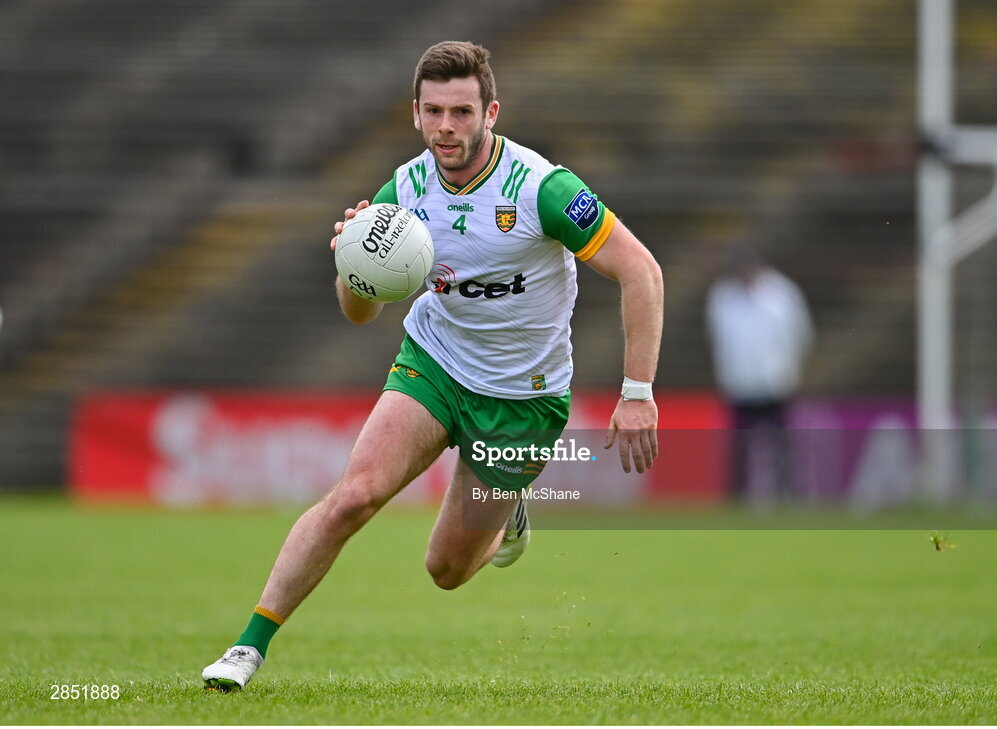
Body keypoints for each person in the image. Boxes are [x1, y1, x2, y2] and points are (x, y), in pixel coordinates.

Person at [201, 41, 664, 692]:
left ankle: (510, 512)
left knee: (445, 569)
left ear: (490, 112)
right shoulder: (404, 191)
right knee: (354, 496)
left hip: (522, 399)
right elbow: (358, 314)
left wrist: (637, 390)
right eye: (434, 112)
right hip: (436, 361)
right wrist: (354, 265)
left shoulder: (542, 188)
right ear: (415, 114)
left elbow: (641, 270)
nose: (447, 127)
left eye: (462, 111)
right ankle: (247, 647)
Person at [705, 244, 813, 500]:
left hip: (775, 384)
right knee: (740, 448)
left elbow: (800, 335)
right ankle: (738, 496)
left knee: (780, 446)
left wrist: (786, 367)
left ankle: (786, 495)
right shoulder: (723, 297)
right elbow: (718, 340)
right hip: (740, 386)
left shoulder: (782, 294)